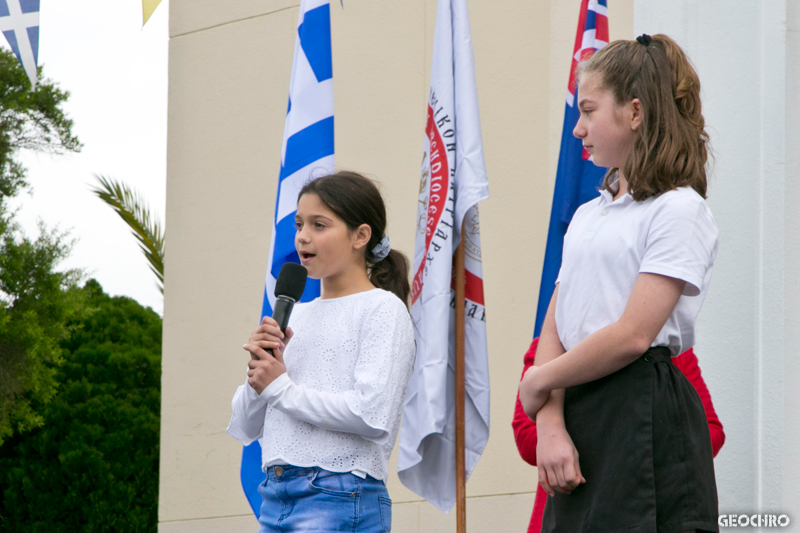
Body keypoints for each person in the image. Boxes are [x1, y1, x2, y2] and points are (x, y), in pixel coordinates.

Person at [518, 34, 720, 532]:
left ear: (634, 113)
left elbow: (633, 334)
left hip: (642, 409)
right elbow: (557, 324)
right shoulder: (590, 214)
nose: (578, 129)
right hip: (582, 405)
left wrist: (540, 381)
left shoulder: (678, 208)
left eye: (589, 110)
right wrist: (550, 424)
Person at [226, 171, 416, 533]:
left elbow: (370, 413)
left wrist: (279, 387)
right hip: (275, 496)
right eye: (299, 224)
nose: (302, 236)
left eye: (319, 224)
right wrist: (259, 376)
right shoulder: (294, 313)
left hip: (340, 494)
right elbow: (247, 426)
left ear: (360, 235)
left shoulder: (382, 309)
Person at [513, 338, 725, 533]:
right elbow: (526, 436)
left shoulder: (670, 349)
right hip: (571, 503)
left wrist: (636, 439)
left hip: (657, 506)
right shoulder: (552, 344)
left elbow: (712, 431)